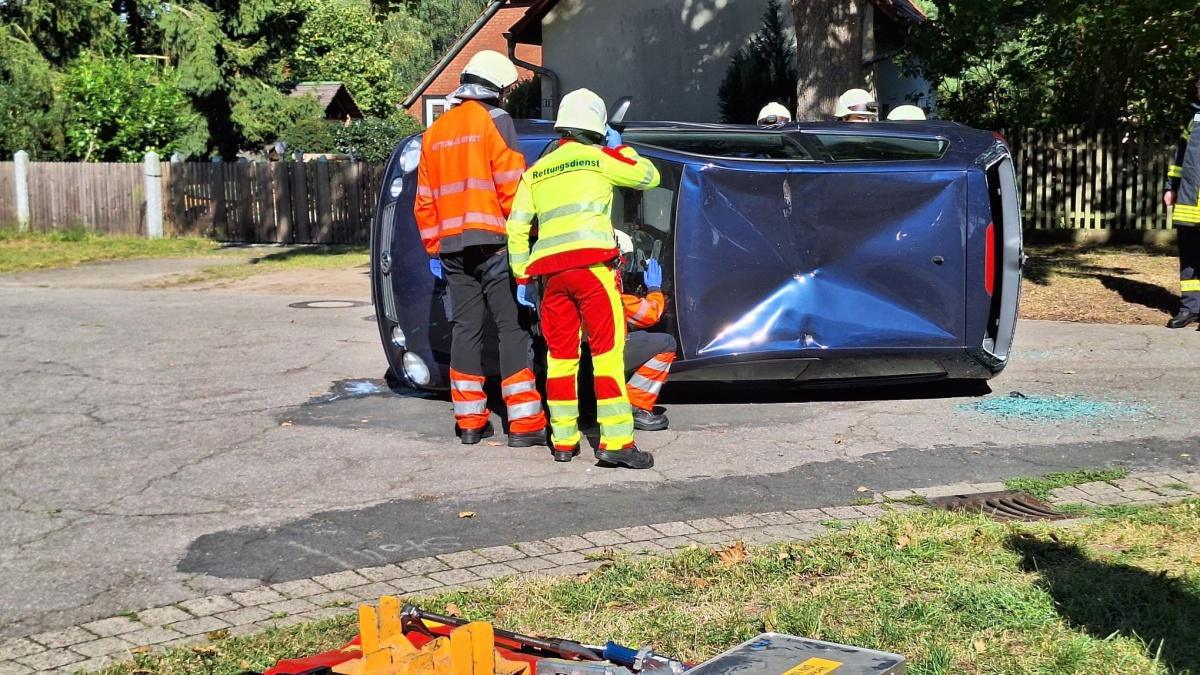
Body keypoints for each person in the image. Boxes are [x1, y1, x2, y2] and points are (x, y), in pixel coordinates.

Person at [506, 88, 661, 468]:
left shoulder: (536, 171)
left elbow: (516, 228)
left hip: (551, 279)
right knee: (606, 357)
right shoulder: (599, 159)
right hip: (593, 272)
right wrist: (619, 148)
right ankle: (617, 443)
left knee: (560, 359)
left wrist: (522, 275)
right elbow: (649, 176)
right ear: (597, 127)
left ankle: (563, 441)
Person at [414, 50, 548, 446]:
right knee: (513, 327)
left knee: (466, 329)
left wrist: (436, 247)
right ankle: (524, 425)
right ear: (496, 89)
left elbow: (424, 199)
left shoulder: (435, 131)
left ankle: (470, 423)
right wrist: (526, 235)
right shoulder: (495, 120)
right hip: (495, 244)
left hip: (453, 249)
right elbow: (512, 184)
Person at [614, 230, 675, 431]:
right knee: (666, 343)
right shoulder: (610, 293)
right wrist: (654, 289)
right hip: (606, 355)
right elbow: (651, 314)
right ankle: (636, 406)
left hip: (573, 358)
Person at [1164, 76, 1200, 329]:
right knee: (1189, 257)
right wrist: (1171, 187)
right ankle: (1190, 308)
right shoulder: (1195, 119)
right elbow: (1180, 156)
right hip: (1189, 201)